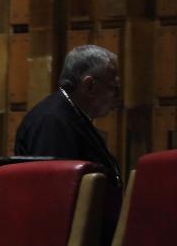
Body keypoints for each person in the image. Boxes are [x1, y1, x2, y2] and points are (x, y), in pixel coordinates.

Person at [14, 44, 122, 245]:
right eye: (114, 88)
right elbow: (55, 197)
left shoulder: (72, 116)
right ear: (89, 85)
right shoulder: (52, 121)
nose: (117, 97)